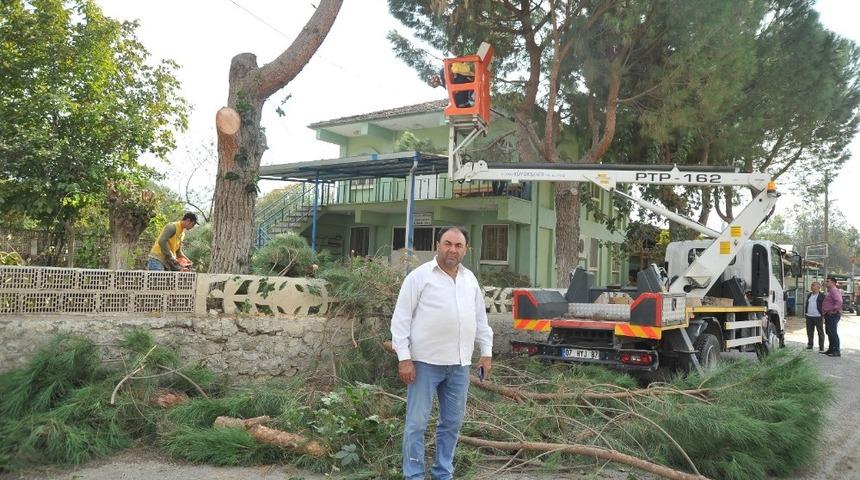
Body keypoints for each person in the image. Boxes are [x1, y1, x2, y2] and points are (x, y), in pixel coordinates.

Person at [390, 226, 493, 480]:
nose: (452, 250)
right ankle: (413, 475)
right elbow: (401, 319)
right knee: (416, 424)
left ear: (465, 249)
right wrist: (404, 358)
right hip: (424, 363)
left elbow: (481, 319)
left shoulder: (470, 279)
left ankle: (442, 473)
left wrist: (486, 352)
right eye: (447, 243)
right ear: (438, 244)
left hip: (459, 365)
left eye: (458, 246)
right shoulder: (419, 277)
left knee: (451, 424)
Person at [821, 276, 843, 357]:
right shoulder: (831, 291)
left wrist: (834, 310)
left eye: (828, 281)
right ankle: (831, 349)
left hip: (832, 314)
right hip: (828, 314)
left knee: (833, 332)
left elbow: (839, 301)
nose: (826, 283)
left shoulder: (834, 290)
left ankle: (837, 351)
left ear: (833, 283)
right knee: (829, 332)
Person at [804, 282, 825, 351]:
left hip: (818, 316)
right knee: (809, 332)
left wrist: (823, 315)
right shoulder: (809, 295)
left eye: (813, 286)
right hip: (809, 316)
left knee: (820, 332)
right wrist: (806, 313)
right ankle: (810, 345)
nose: (811, 287)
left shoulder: (822, 296)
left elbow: (824, 306)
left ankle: (821, 347)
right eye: (811, 286)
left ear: (818, 288)